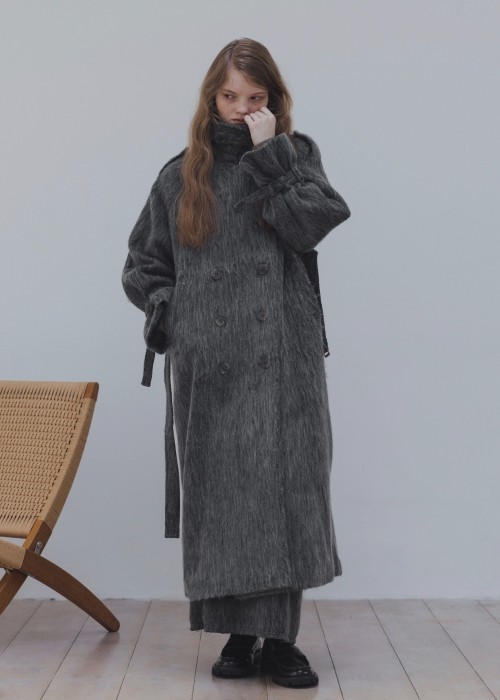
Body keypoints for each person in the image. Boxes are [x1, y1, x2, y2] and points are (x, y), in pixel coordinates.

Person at [122, 37, 350, 689]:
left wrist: (270, 154)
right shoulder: (179, 176)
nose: (242, 109)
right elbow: (143, 262)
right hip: (210, 361)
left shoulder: (294, 158)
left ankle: (279, 642)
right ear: (211, 99)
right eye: (230, 97)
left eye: (256, 97)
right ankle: (237, 634)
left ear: (274, 100)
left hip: (283, 358)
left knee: (283, 492)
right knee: (223, 497)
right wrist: (170, 310)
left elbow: (313, 223)